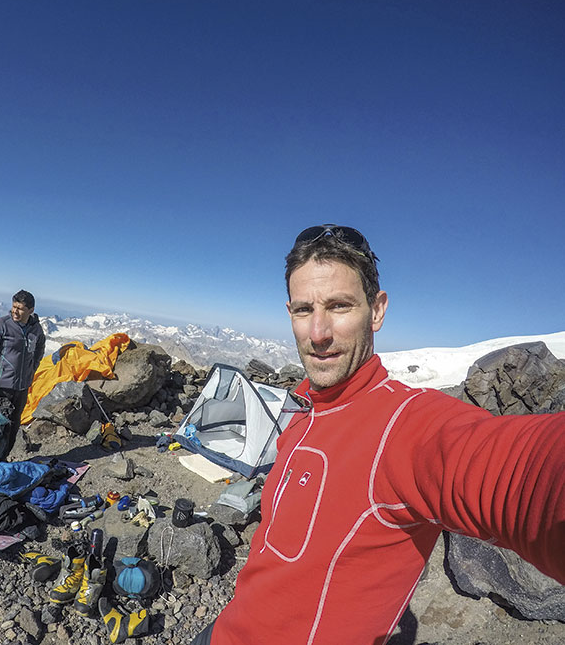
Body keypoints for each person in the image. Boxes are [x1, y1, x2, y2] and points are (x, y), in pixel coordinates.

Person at [192, 225, 565, 645]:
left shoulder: (406, 425)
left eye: (339, 306)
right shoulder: (303, 400)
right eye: (302, 310)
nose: (317, 333)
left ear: (377, 310)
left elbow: (524, 471)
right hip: (227, 628)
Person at [0, 289, 46, 458]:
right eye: (14, 306)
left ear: (30, 310)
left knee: (13, 427)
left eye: (20, 308)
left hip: (22, 389)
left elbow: (39, 348)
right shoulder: (1, 325)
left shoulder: (35, 329)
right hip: (2, 388)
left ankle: (2, 460)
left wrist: (32, 369)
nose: (15, 311)